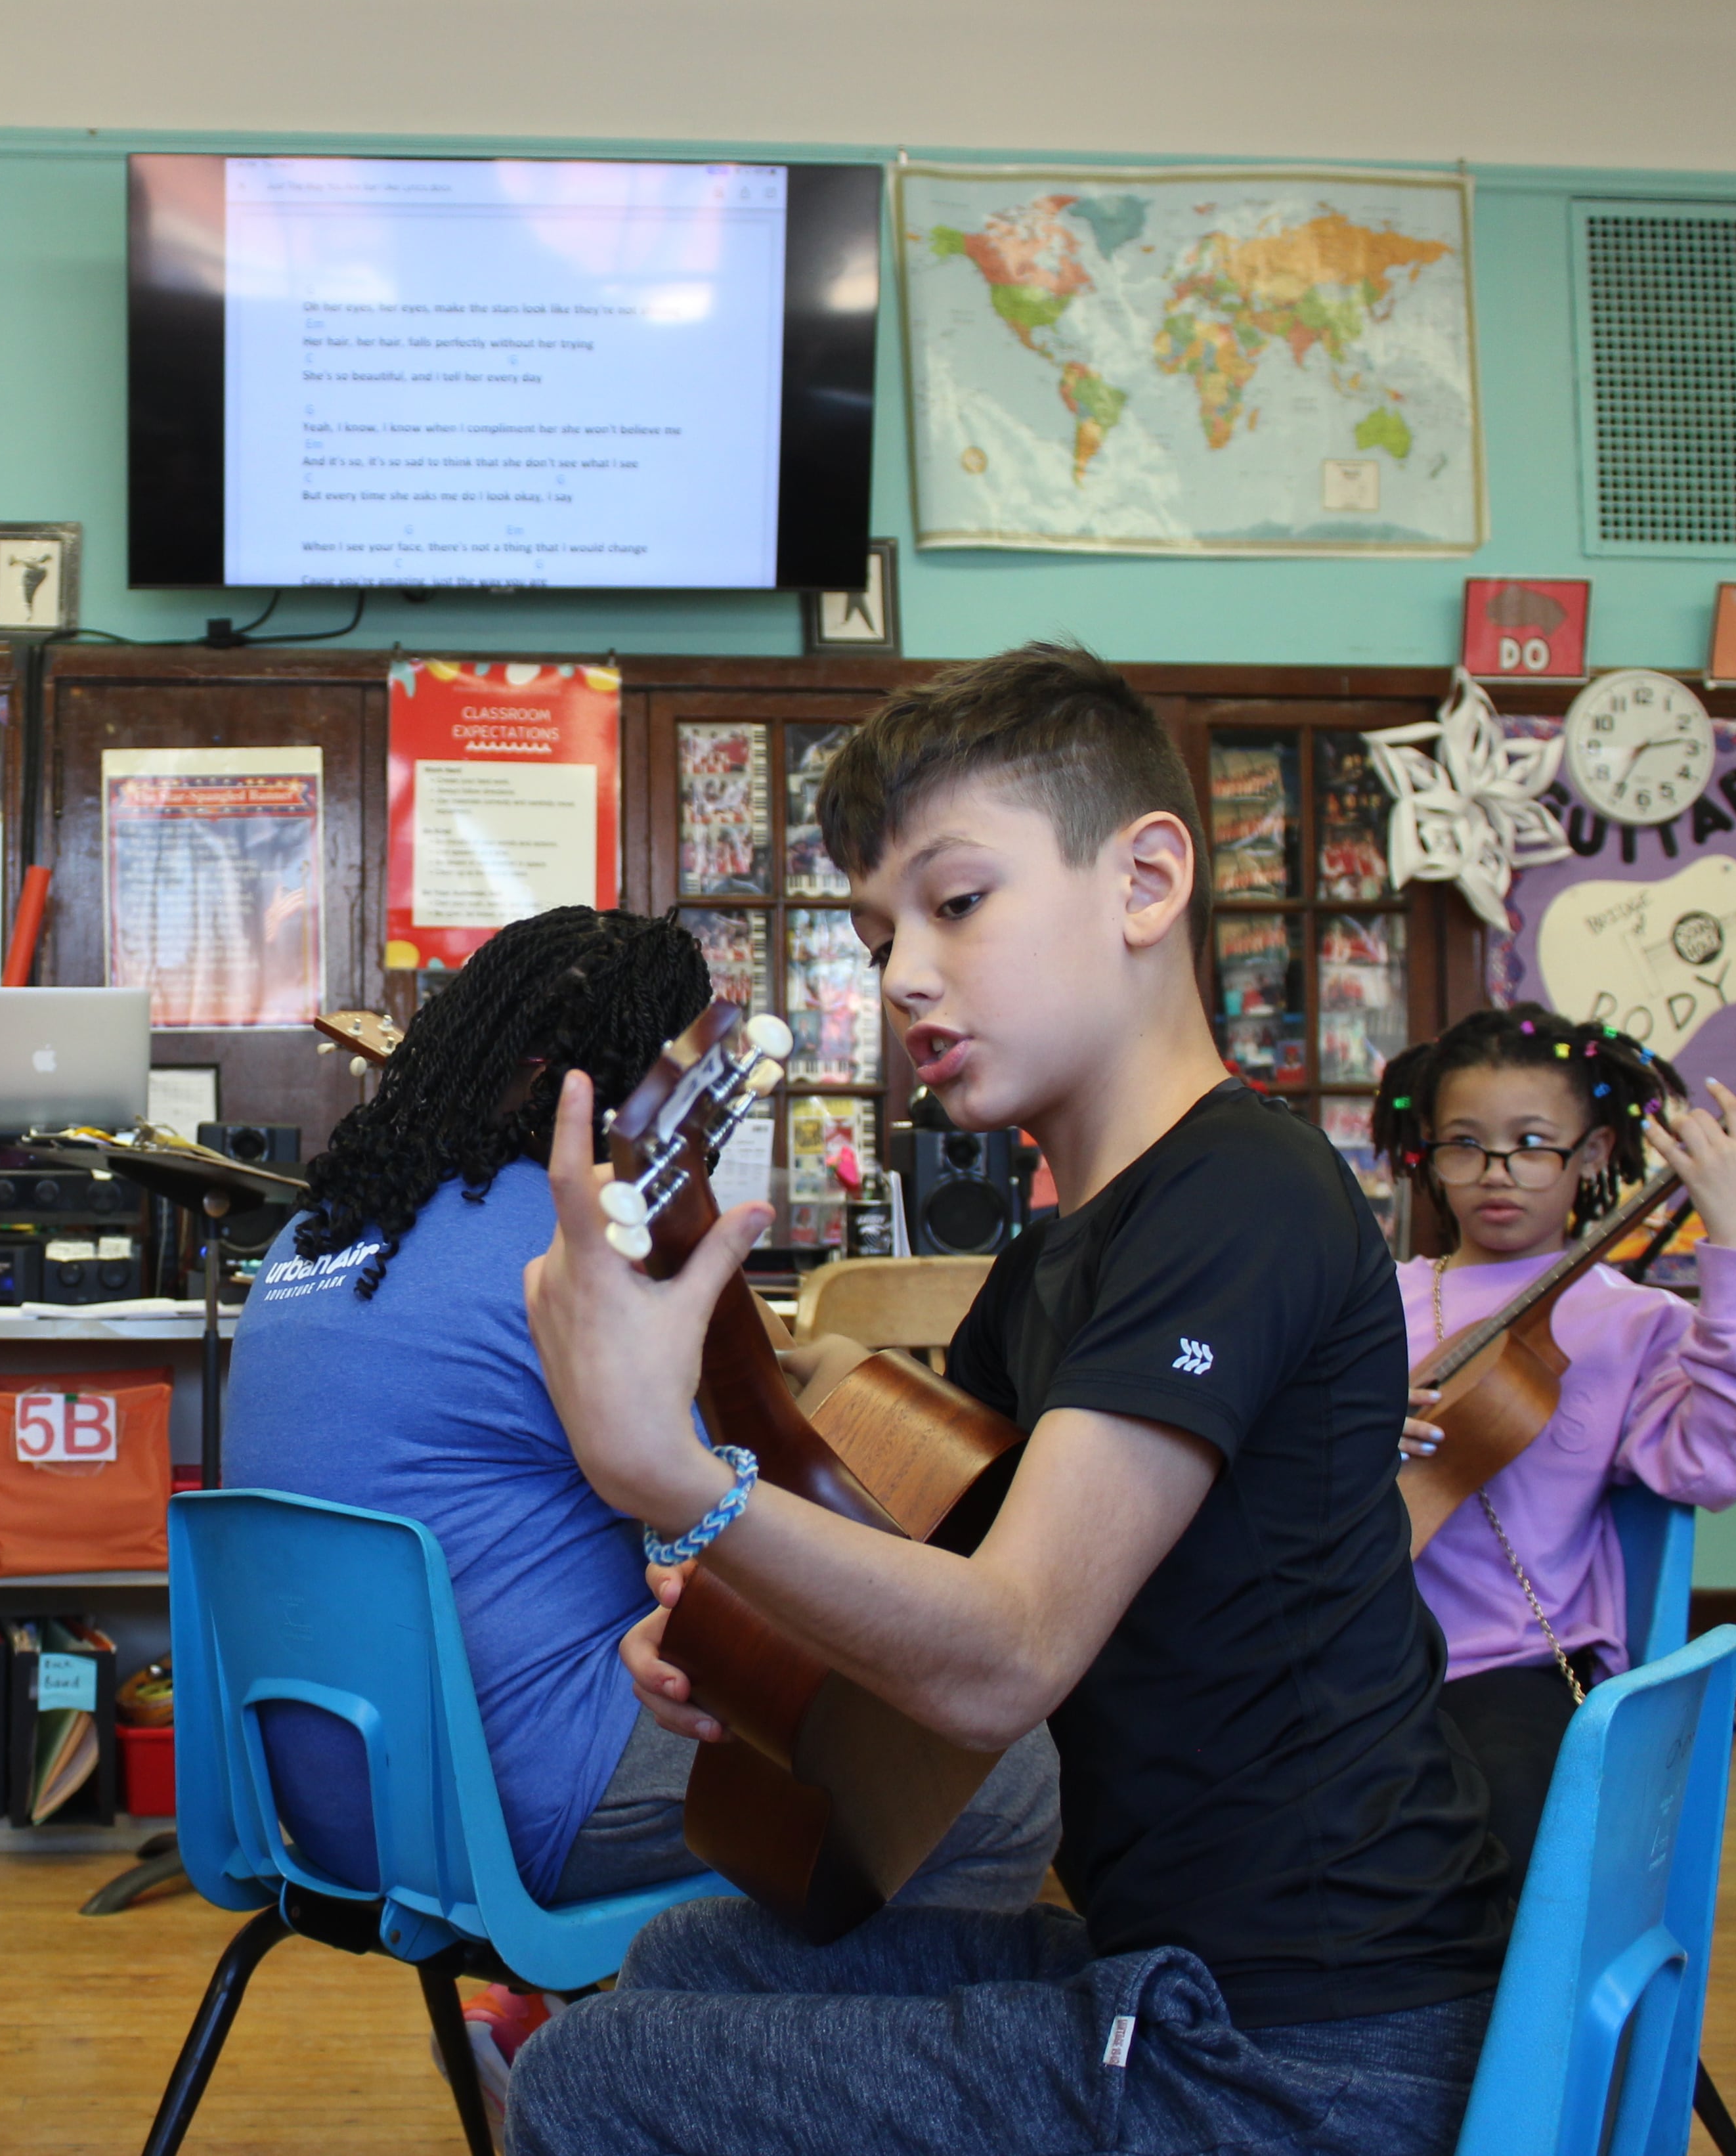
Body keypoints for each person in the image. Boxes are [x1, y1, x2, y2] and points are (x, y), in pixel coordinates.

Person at [511, 645, 1511, 2156]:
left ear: (1145, 879)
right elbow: (914, 1568)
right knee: (689, 1962)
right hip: (1196, 1975)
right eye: (876, 932)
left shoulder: (1240, 1195)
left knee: (598, 2077)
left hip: (1306, 2047)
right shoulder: (1061, 1254)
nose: (904, 968)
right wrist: (722, 1625)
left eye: (956, 901)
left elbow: (1006, 1658)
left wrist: (685, 1486)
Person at [221, 904, 1059, 1912]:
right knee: (995, 1763)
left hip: (326, 1811)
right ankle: (723, 2056)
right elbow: (722, 1546)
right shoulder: (568, 1241)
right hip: (510, 1805)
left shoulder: (311, 1233)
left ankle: (552, 2022)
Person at [1376, 1009, 1736, 1879]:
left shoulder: (1632, 1321)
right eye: (1464, 1144)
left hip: (1510, 1665)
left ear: (1594, 1156)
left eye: (1533, 1144)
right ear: (1427, 1154)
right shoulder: (1379, 1298)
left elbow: (1720, 1457)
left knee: (1506, 1831)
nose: (1498, 1175)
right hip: (1355, 1656)